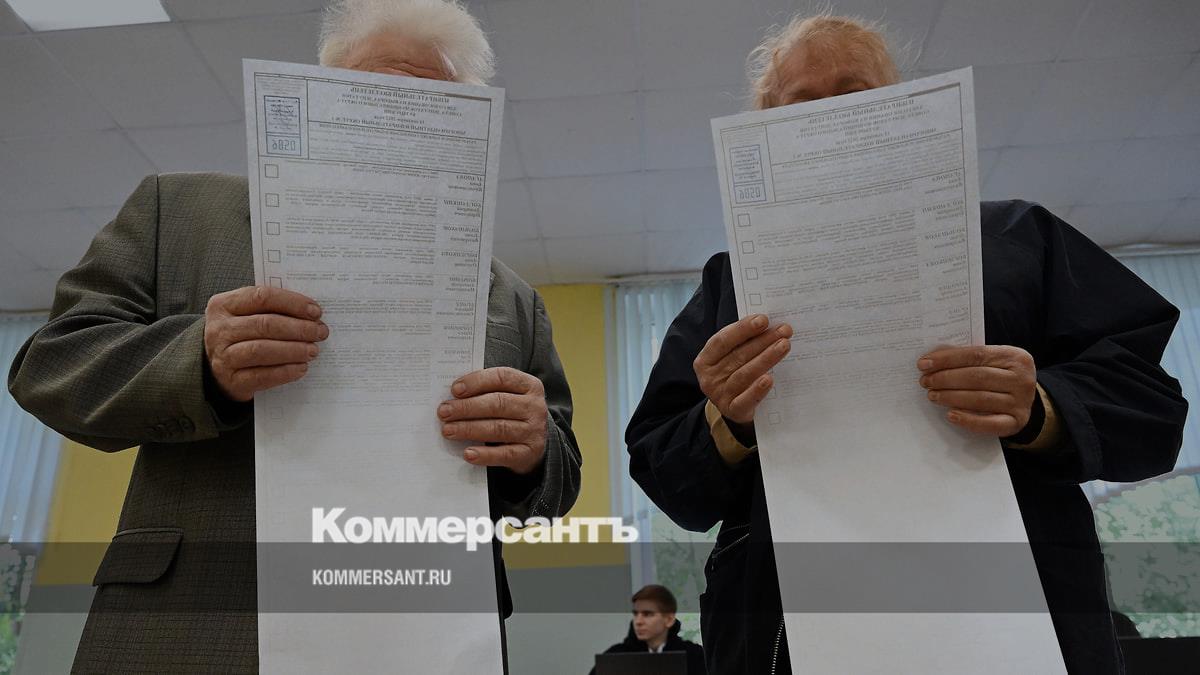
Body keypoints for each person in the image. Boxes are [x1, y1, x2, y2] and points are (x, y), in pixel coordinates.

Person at [7, 0, 581, 672]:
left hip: (431, 631)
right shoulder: (177, 211)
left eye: (429, 110)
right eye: (369, 101)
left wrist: (534, 452)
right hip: (197, 626)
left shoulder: (514, 299)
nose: (393, 129)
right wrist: (199, 360)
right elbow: (51, 365)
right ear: (322, 99)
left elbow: (558, 478)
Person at [625, 13, 1187, 675]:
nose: (831, 120)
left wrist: (1042, 405)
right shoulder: (733, 285)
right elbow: (662, 469)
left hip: (1010, 611)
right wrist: (729, 419)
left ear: (903, 108)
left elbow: (1151, 407)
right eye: (801, 106)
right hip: (792, 628)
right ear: (766, 134)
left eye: (855, 96)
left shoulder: (1020, 239)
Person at [590, 585, 707, 675]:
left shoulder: (694, 656)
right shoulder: (615, 656)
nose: (638, 621)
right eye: (636, 614)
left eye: (647, 614)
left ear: (669, 619)